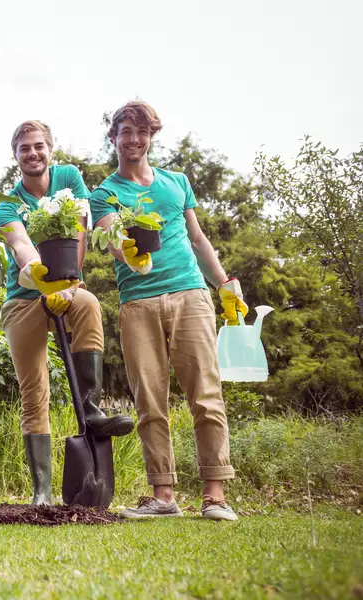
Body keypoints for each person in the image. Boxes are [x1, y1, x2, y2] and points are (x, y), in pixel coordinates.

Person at [90, 101, 243, 521]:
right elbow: (110, 240)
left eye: (142, 132)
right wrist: (130, 252)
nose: (134, 140)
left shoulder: (177, 182)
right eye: (126, 132)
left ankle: (215, 496)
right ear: (113, 138)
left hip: (191, 294)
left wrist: (225, 282)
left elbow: (197, 237)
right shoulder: (104, 193)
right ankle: (164, 496)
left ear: (151, 137)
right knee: (150, 402)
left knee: (206, 395)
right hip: (137, 303)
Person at [0, 120, 134, 505]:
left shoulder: (69, 177)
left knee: (89, 303)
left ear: (50, 149)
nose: (33, 154)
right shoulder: (6, 204)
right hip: (22, 297)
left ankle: (89, 410)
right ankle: (41, 490)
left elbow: (78, 231)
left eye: (39, 146)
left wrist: (69, 284)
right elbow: (21, 244)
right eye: (25, 149)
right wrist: (42, 280)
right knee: (33, 390)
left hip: (70, 289)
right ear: (16, 156)